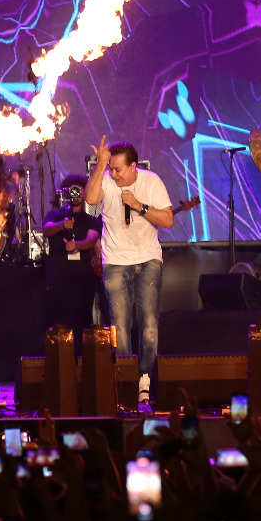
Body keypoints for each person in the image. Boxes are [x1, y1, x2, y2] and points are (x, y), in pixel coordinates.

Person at [85, 137, 173, 409]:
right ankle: (126, 381)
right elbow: (91, 198)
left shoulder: (151, 181)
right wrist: (101, 164)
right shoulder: (106, 179)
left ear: (134, 166)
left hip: (148, 259)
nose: (114, 174)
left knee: (149, 322)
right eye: (111, 168)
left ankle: (144, 380)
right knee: (120, 325)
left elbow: (168, 220)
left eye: (118, 169)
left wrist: (138, 205)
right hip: (115, 261)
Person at [42, 174, 102, 337]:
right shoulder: (54, 215)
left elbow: (91, 240)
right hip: (58, 278)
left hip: (83, 279)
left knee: (83, 322)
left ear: (85, 192)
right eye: (73, 190)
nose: (76, 194)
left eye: (79, 190)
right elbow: (47, 230)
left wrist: (76, 245)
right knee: (59, 322)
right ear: (66, 192)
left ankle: (81, 352)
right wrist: (62, 225)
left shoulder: (92, 220)